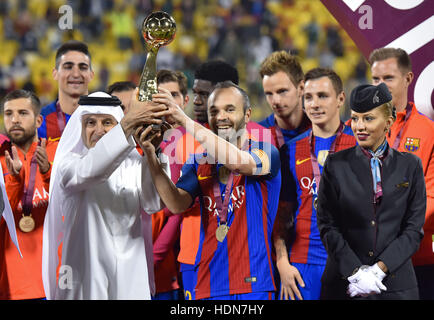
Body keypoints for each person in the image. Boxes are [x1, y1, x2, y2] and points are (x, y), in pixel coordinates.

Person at [140, 81, 281, 300]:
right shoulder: (198, 160)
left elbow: (238, 163)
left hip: (254, 284)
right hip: (208, 282)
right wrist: (151, 154)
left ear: (247, 115)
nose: (221, 117)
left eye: (230, 109)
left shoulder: (265, 151)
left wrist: (184, 120)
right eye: (214, 111)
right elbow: (176, 204)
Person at [41, 91, 170, 300]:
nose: (99, 131)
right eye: (90, 122)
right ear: (80, 128)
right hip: (85, 277)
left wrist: (153, 153)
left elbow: (154, 203)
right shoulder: (69, 164)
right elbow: (93, 170)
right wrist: (128, 125)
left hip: (130, 275)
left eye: (107, 122)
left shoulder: (136, 162)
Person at [317, 83, 426, 300]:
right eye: (355, 118)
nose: (359, 126)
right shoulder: (335, 164)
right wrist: (356, 273)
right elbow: (327, 225)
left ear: (389, 122)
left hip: (396, 287)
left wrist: (379, 269)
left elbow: (413, 230)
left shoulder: (411, 165)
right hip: (343, 285)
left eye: (368, 118)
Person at [273, 68, 356, 300]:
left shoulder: (360, 146)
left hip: (350, 264)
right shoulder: (289, 150)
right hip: (302, 267)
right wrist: (282, 263)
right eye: (308, 97)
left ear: (341, 99)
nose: (314, 104)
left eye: (323, 96)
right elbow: (282, 215)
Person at [369, 47, 434, 299]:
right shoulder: (360, 129)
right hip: (370, 264)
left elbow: (431, 198)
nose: (380, 86)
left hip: (417, 261)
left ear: (408, 78)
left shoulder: (428, 131)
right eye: (375, 79)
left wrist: (394, 233)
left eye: (388, 78)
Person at [0, 90, 58, 300]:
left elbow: (74, 204)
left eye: (23, 113)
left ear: (38, 120)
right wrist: (14, 180)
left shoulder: (58, 152)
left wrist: (47, 172)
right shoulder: (0, 160)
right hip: (13, 283)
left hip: (58, 279)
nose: (14, 119)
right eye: (8, 114)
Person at [151, 69, 192, 300]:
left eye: (173, 95)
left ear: (185, 100)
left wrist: (155, 254)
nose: (167, 102)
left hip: (187, 246)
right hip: (154, 240)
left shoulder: (200, 141)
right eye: (160, 96)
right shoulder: (143, 140)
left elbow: (182, 207)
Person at [37, 40, 94, 141]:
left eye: (83, 67)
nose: (76, 74)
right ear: (55, 73)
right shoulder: (39, 122)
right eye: (68, 67)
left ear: (91, 75)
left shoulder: (104, 118)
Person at [258, 50, 311, 150]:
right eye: (269, 94)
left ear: (301, 88)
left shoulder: (323, 131)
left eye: (282, 91)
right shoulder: (257, 136)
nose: (275, 101)